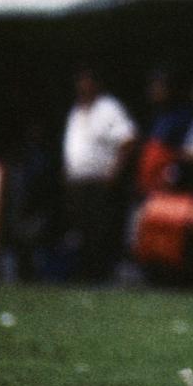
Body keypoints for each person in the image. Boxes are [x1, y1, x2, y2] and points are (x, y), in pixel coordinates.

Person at [61, 66, 138, 281]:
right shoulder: (77, 110)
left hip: (99, 181)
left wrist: (114, 171)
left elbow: (128, 139)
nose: (82, 86)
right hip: (78, 181)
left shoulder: (108, 108)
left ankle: (100, 276)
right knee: (80, 230)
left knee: (99, 231)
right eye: (80, 81)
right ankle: (84, 273)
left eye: (87, 81)